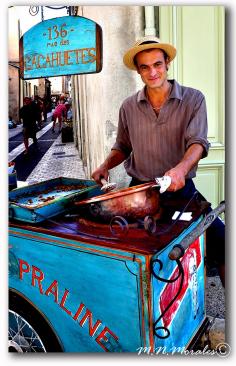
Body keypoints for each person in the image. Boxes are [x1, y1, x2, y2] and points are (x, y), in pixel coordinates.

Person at [92, 36, 225, 286]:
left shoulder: (194, 99)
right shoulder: (128, 107)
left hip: (181, 191)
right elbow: (122, 146)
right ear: (139, 71)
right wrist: (104, 165)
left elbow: (198, 142)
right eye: (145, 67)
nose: (152, 72)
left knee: (224, 241)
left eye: (157, 64)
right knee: (133, 254)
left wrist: (181, 170)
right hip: (139, 193)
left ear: (167, 64)